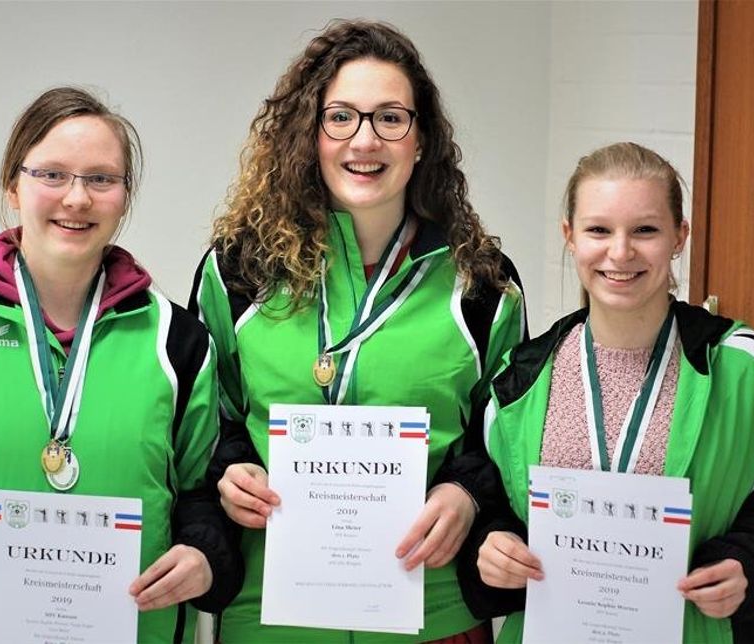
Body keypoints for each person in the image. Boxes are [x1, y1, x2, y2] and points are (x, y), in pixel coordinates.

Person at [0, 87, 242, 643]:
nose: (76, 198)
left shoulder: (179, 345)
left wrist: (204, 554)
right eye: (52, 175)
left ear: (124, 197)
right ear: (13, 185)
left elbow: (204, 490)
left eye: (101, 179)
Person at [189, 20, 526, 643]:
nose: (364, 140)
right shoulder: (240, 269)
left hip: (433, 616)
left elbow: (506, 439)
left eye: (390, 118)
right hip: (271, 616)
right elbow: (208, 421)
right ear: (309, 135)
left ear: (422, 138)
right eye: (340, 116)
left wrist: (466, 493)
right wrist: (229, 473)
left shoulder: (481, 285)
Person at [461, 142, 754, 643]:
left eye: (645, 230)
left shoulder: (747, 369)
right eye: (599, 230)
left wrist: (751, 566)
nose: (620, 253)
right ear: (570, 237)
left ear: (679, 236)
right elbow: (488, 502)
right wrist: (490, 546)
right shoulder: (519, 381)